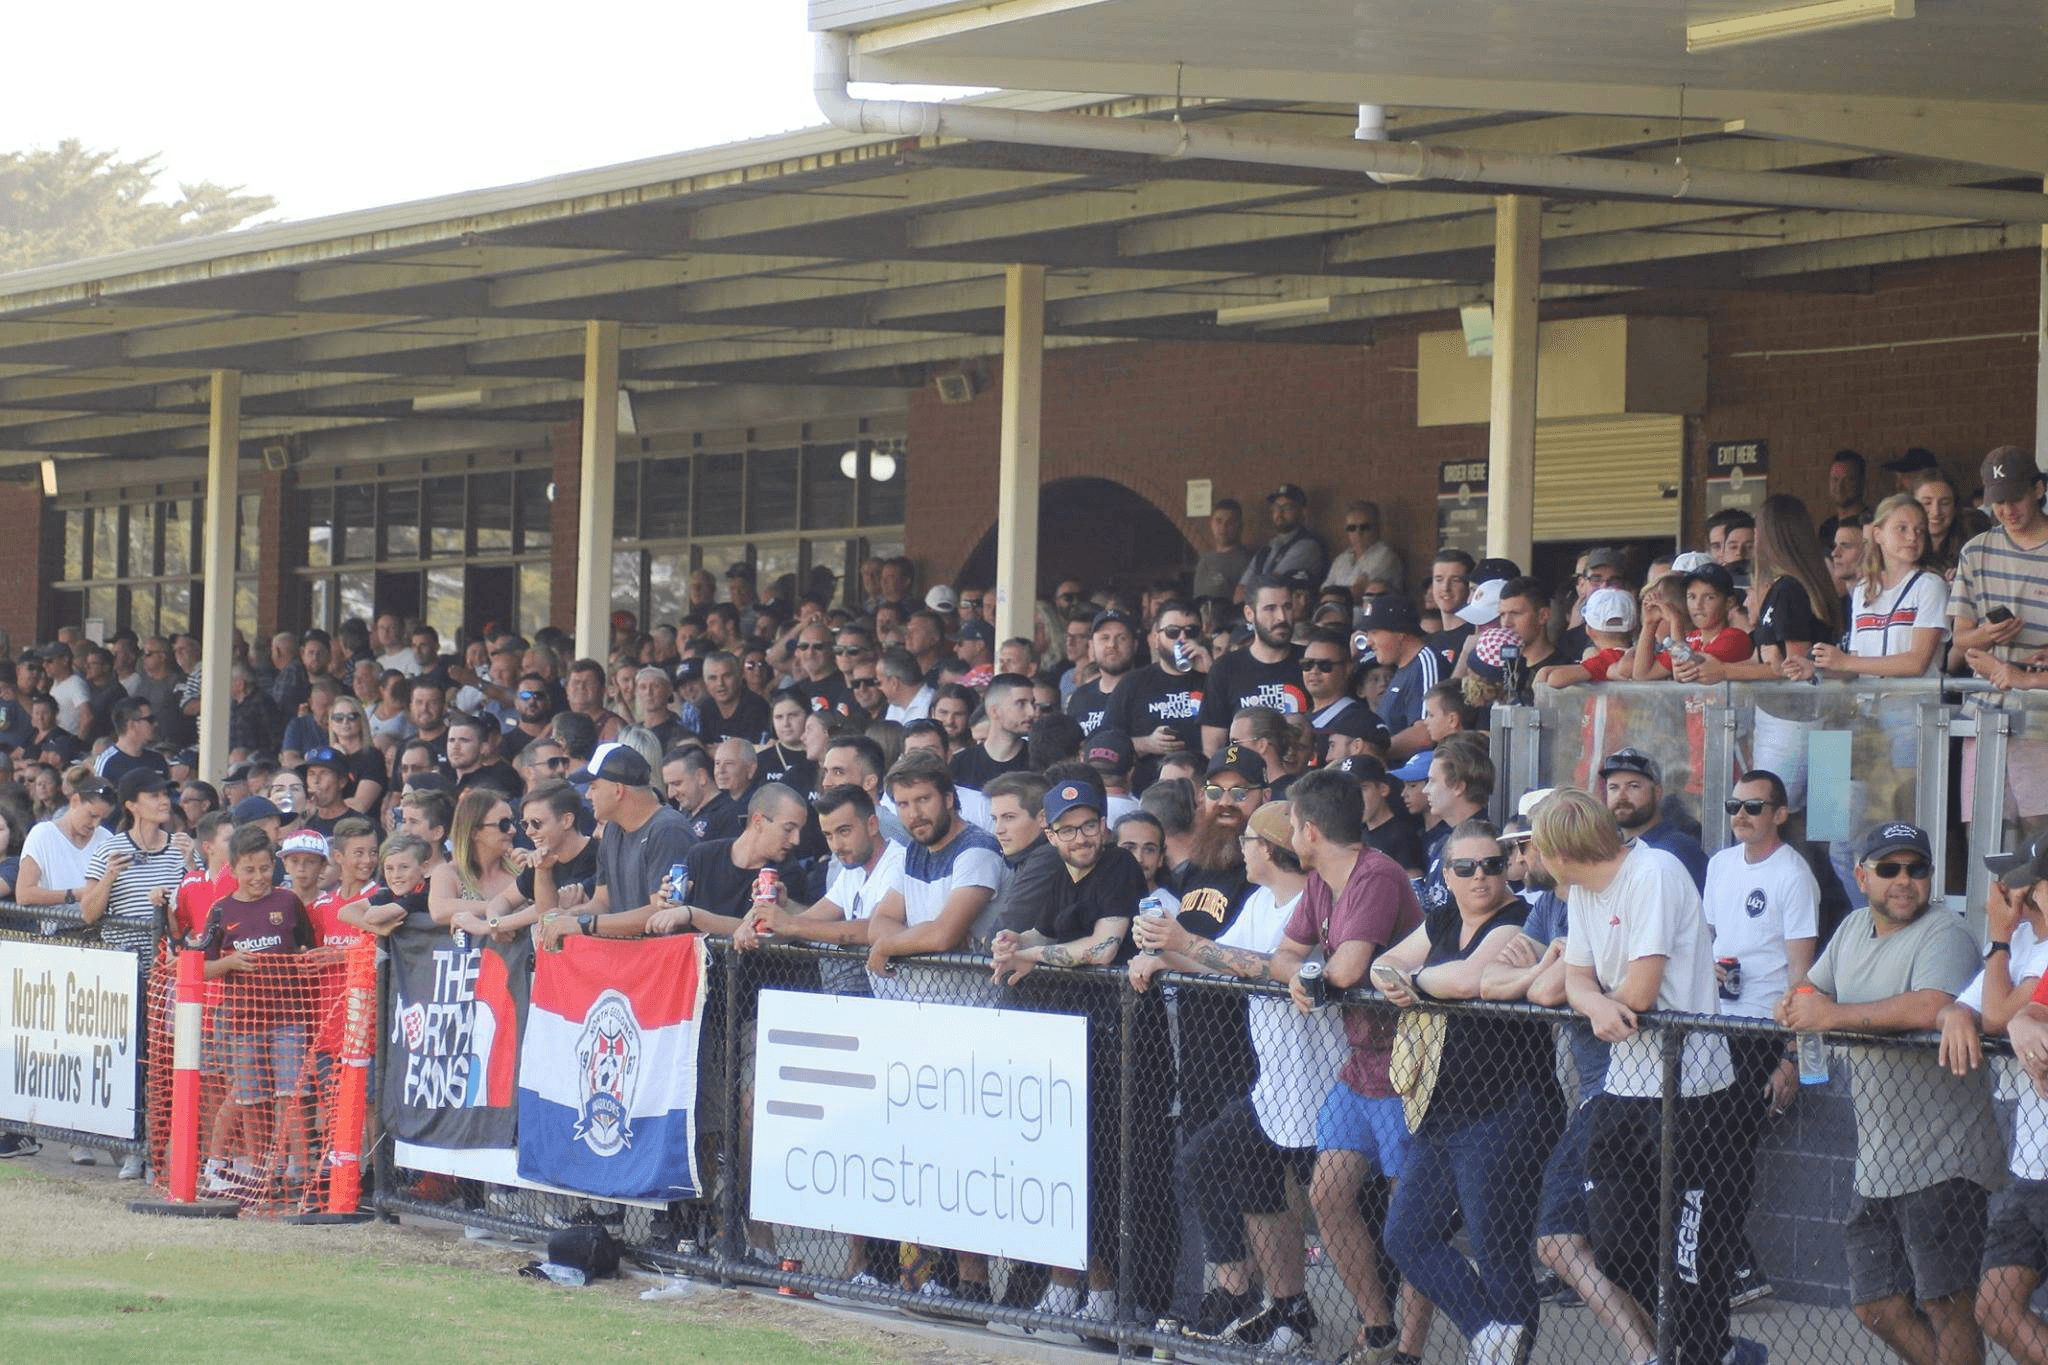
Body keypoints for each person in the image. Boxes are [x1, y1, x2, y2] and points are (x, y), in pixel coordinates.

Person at [1542, 788, 1754, 1365]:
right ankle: (1713, 1349)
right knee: (1614, 1248)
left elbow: (1640, 991)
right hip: (1625, 1087)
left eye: (1539, 849)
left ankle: (1713, 1351)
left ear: (1562, 852)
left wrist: (1599, 1000)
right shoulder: (1581, 891)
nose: (1535, 860)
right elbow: (1576, 980)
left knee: (1691, 1260)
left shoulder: (1652, 872)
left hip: (1692, 1091)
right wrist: (1595, 1005)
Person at [1777, 821, 1997, 1365]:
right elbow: (1813, 986)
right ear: (1861, 877)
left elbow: (1930, 1005)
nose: (1904, 880)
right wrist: (1797, 1001)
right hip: (1878, 1159)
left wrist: (1828, 1015)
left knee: (1948, 1304)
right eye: (1889, 868)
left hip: (1947, 1157)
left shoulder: (1944, 933)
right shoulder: (1853, 927)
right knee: (1876, 1305)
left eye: (1916, 869)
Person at [1130, 800, 1337, 1353]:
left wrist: (1178, 941)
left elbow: (1264, 968)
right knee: (1217, 1163)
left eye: (1248, 840)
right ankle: (1277, 1303)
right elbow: (1221, 958)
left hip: (1319, 1081)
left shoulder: (1311, 901)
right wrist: (1166, 957)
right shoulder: (1262, 900)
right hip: (1273, 1086)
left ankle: (1372, 1325)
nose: (1241, 849)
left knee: (1346, 1210)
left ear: (1269, 849)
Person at [1374, 819, 1559, 1365]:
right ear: (1447, 876)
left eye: (1492, 865)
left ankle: (1504, 1352)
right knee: (1407, 1236)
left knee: (1498, 1249)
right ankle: (1487, 1333)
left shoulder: (1518, 920)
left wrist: (1416, 981)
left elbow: (1470, 981)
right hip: (1441, 1108)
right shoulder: (1442, 919)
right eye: (1466, 867)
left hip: (1508, 1107)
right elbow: (1383, 964)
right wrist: (1408, 976)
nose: (1481, 876)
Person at [1702, 769, 1817, 1308]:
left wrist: (1795, 1060)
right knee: (1703, 1146)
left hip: (1761, 1031)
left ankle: (1738, 1268)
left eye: (1754, 807)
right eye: (1734, 806)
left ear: (1780, 814)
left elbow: (1804, 977)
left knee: (1728, 1147)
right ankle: (1728, 1265)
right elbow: (1707, 940)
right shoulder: (1720, 865)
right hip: (1711, 1024)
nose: (1741, 816)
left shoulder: (1793, 875)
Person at [198, 823, 316, 1194]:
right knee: (248, 1097)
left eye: (265, 868)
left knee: (291, 1094)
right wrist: (230, 963)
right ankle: (232, 1165)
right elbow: (199, 968)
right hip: (243, 1022)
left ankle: (298, 1172)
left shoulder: (288, 903)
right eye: (249, 870)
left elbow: (307, 948)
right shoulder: (221, 911)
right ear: (232, 869)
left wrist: (303, 960)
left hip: (288, 1018)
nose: (258, 877)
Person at [1953, 448, 2048, 838]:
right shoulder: (1975, 551)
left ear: (2038, 489)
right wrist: (1987, 636)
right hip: (1984, 714)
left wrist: (2023, 674)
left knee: (2038, 836)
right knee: (1982, 834)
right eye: (1998, 501)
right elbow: (1961, 639)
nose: (2007, 510)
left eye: (2015, 498)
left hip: (2040, 715)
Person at [533, 743, 698, 950]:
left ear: (618, 790)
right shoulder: (612, 829)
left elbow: (660, 913)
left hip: (664, 959)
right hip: (628, 957)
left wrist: (583, 923)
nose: (587, 795)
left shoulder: (668, 830)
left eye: (593, 787)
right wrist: (571, 914)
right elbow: (602, 903)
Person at [1802, 493, 1949, 679]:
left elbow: (1917, 663)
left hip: (1916, 698)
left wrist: (1844, 661)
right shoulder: (1864, 589)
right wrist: (1815, 669)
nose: (1913, 537)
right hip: (1869, 698)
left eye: (1919, 530)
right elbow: (1856, 668)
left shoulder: (1931, 586)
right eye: (1902, 528)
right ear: (1878, 535)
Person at [1201, 577, 1306, 755]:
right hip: (1244, 770)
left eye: (1287, 607)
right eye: (1270, 608)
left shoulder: (1310, 662)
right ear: (1249, 613)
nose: (1281, 617)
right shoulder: (1225, 669)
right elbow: (1213, 748)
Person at [1109, 598, 1210, 764]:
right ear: (1156, 639)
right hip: (1150, 777)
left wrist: (1211, 673)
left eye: (1191, 631)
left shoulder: (1212, 677)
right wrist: (1146, 744)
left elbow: (1235, 730)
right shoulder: (1133, 683)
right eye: (1172, 632)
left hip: (1203, 774)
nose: (1182, 638)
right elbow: (1107, 742)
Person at [1599, 746, 1708, 889]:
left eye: (1633, 786)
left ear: (1657, 793)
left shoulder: (1678, 850)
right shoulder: (1609, 849)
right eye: (1613, 788)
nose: (1621, 796)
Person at [1358, 593, 1440, 762]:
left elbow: (1426, 732)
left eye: (1374, 632)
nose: (1369, 642)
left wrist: (1373, 754)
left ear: (1400, 633)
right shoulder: (1402, 669)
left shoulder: (1425, 662)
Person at [1065, 608, 1140, 737]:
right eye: (1104, 638)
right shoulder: (1079, 698)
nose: (1112, 645)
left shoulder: (1148, 691)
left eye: (1121, 638)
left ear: (1135, 645)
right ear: (1091, 645)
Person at [1242, 482, 1327, 589]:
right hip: (1257, 599)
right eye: (1276, 507)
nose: (1279, 513)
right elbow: (1241, 588)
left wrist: (1250, 590)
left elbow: (1273, 585)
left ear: (1302, 512)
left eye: (1287, 507)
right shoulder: (1267, 548)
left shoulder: (1307, 546)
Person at [1327, 499, 1403, 594]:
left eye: (1364, 527)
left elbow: (1358, 593)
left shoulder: (1385, 556)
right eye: (1352, 528)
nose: (1358, 533)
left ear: (1377, 528)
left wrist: (1335, 595)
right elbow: (1325, 591)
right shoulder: (1341, 559)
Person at [92, 696, 169, 788]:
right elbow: (98, 795)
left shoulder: (158, 760)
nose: (156, 724)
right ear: (131, 724)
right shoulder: (107, 763)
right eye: (150, 719)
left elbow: (168, 793)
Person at [1193, 499, 1252, 613]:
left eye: (1230, 523)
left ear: (1240, 527)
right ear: (1211, 524)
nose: (1223, 527)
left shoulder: (1248, 562)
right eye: (1219, 521)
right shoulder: (1204, 560)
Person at [1818, 448, 1873, 545]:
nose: (1840, 486)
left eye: (1848, 480)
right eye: (1835, 479)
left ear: (1862, 482)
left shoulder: (1870, 525)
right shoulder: (1827, 528)